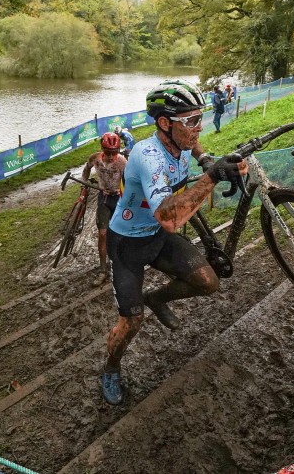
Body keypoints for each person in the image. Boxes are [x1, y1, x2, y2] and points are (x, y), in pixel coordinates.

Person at [100, 79, 247, 405]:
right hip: (127, 244)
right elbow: (170, 217)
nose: (199, 127)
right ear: (165, 124)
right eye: (191, 121)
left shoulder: (178, 142)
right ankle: (111, 367)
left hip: (158, 237)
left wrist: (206, 157)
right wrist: (212, 176)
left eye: (200, 117)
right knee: (131, 322)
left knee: (208, 281)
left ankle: (156, 297)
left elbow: (194, 145)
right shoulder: (147, 156)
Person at [82, 133, 127, 286]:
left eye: (114, 152)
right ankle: (103, 270)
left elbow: (129, 182)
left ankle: (123, 264)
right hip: (104, 198)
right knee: (102, 234)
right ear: (101, 148)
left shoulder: (122, 162)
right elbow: (86, 170)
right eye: (107, 152)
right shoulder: (94, 158)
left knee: (120, 235)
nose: (110, 156)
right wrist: (84, 182)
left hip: (119, 199)